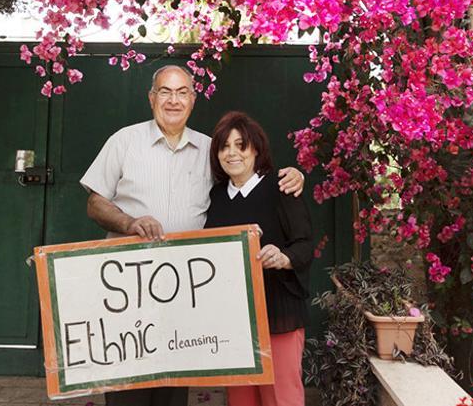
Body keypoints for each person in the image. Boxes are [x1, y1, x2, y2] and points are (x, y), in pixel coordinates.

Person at [79, 65, 305, 406]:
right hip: (130, 290)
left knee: (173, 388)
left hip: (182, 294)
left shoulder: (209, 151)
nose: (173, 100)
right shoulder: (124, 141)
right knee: (127, 392)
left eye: (182, 92)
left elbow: (244, 182)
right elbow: (95, 203)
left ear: (193, 99)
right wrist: (129, 223)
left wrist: (292, 176)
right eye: (165, 92)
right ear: (151, 98)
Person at [204, 111, 313, 406]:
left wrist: (284, 257)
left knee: (282, 398)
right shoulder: (215, 197)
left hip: (278, 312)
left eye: (241, 145)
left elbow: (305, 245)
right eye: (224, 147)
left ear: (256, 149)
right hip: (234, 319)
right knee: (241, 400)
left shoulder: (281, 188)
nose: (232, 153)